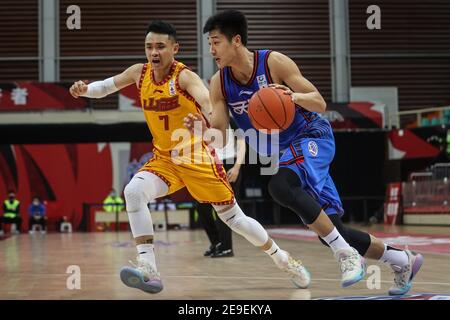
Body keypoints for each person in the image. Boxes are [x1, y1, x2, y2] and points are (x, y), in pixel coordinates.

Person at [190, 9, 423, 295]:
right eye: (210, 43)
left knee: (280, 186)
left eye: (216, 42)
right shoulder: (219, 83)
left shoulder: (273, 62)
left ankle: (346, 255)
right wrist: (202, 129)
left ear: (236, 40)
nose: (211, 49)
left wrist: (292, 97)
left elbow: (320, 102)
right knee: (332, 230)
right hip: (286, 153)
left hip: (312, 136)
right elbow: (221, 132)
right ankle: (402, 260)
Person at [69, 20, 310, 294]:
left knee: (236, 221)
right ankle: (149, 270)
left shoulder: (184, 77)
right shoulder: (139, 73)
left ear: (175, 48)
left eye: (160, 46)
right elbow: (106, 87)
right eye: (149, 46)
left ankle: (283, 259)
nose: (153, 52)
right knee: (134, 192)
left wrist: (207, 120)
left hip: (198, 158)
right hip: (165, 159)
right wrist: (84, 90)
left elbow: (209, 104)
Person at [198, 127, 246, 258]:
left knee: (224, 205)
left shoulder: (232, 120)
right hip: (208, 165)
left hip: (229, 164)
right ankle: (216, 243)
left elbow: (242, 146)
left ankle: (226, 247)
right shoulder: (200, 119)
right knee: (201, 206)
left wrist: (236, 167)